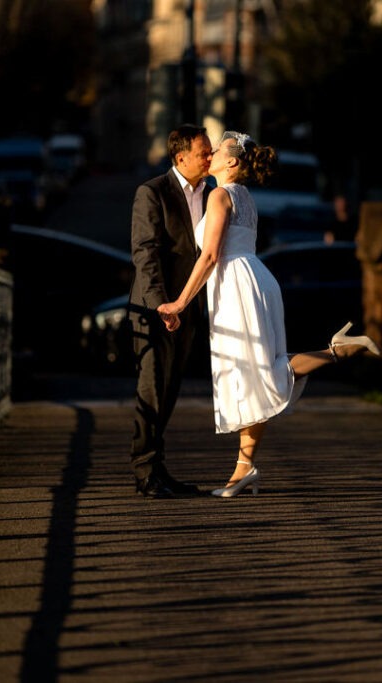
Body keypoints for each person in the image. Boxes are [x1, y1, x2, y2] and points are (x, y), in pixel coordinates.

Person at [157, 131, 380, 498]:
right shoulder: (245, 197)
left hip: (235, 286)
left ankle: (333, 352)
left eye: (219, 150)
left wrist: (180, 303)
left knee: (255, 374)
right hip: (256, 277)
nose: (210, 153)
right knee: (258, 373)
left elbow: (210, 256)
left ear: (231, 162)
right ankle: (244, 469)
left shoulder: (219, 196)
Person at [128, 124, 213, 498]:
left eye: (211, 152)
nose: (209, 158)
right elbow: (144, 252)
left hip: (188, 308)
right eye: (203, 153)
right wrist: (161, 303)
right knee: (152, 391)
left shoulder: (209, 193)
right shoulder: (152, 192)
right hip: (156, 309)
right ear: (181, 157)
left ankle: (159, 470)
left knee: (171, 390)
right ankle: (145, 473)